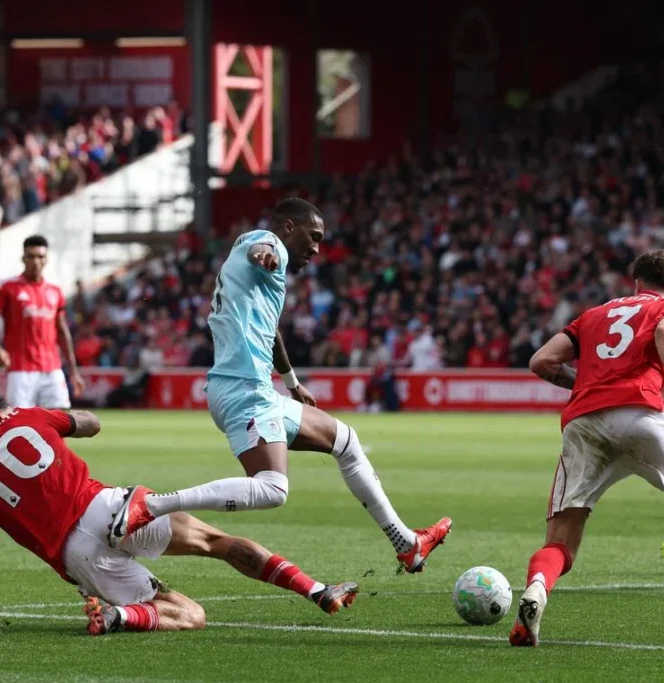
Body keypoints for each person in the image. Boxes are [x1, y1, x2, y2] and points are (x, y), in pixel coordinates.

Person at [107, 198, 451, 574]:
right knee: (272, 488)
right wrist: (265, 254)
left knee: (346, 441)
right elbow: (262, 246)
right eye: (313, 236)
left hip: (253, 389)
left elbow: (271, 335)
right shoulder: (268, 244)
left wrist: (292, 383)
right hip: (244, 390)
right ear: (289, 227)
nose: (316, 248)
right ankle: (150, 505)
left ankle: (406, 543)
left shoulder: (254, 271)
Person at [0, 391, 359, 635]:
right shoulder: (26, 417)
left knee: (189, 614)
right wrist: (60, 417)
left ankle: (120, 616)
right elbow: (91, 423)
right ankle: (316, 590)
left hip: (77, 555)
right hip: (109, 508)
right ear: (0, 412)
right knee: (217, 543)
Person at [508, 250, 664, 648]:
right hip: (639, 413)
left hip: (583, 423)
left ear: (637, 282)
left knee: (560, 541)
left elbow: (541, 361)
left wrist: (587, 385)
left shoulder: (593, 315)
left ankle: (537, 589)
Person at [0, 235, 85, 409]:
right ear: (23, 258)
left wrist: (74, 371)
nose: (36, 261)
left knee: (58, 419)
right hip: (20, 369)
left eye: (40, 257)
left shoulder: (55, 290)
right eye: (31, 256)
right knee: (21, 420)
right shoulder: (7, 287)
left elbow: (62, 332)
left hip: (52, 368)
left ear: (46, 259)